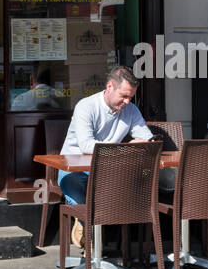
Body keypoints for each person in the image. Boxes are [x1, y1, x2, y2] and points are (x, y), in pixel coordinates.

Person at [58, 65, 155, 248]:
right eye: (124, 96)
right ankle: (87, 229)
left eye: (131, 97)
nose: (127, 101)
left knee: (128, 191)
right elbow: (86, 145)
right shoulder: (86, 106)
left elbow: (147, 137)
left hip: (108, 170)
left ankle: (109, 244)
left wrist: (145, 142)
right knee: (82, 198)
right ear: (110, 87)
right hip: (76, 170)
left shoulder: (131, 110)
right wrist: (126, 148)